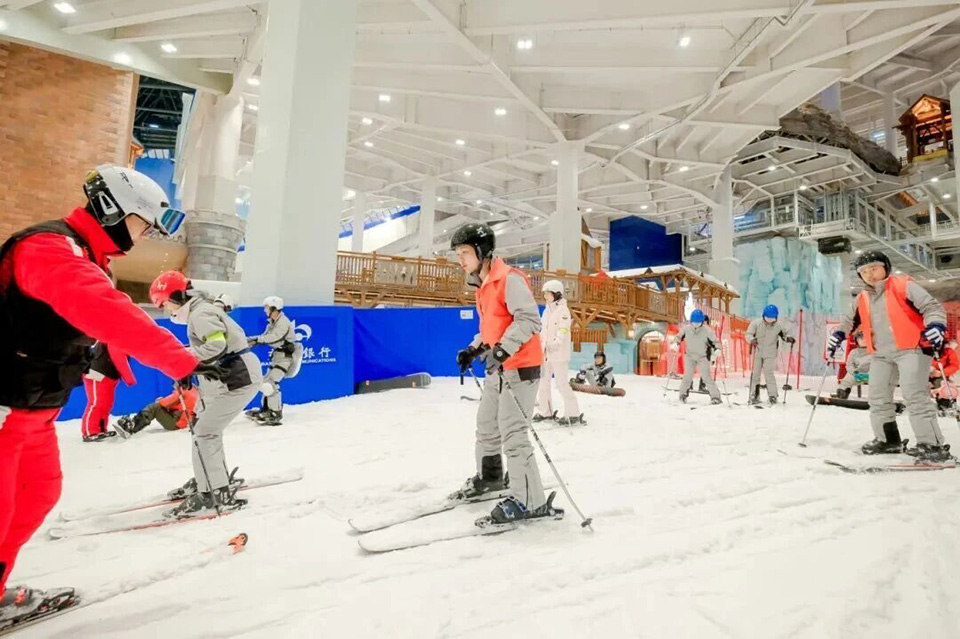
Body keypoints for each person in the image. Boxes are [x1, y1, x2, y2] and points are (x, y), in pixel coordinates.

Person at [0, 165, 213, 625]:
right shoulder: (49, 248)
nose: (143, 237)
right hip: (5, 408)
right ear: (113, 209)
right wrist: (184, 362)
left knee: (37, 494)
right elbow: (106, 311)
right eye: (142, 224)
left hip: (31, 412)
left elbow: (103, 326)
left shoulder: (86, 256)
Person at [452, 223, 562, 524]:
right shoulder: (482, 285)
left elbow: (529, 321)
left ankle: (529, 501)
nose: (460, 259)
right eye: (458, 254)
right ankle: (491, 478)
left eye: (464, 252)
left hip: (519, 368)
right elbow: (491, 327)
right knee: (487, 426)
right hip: (498, 369)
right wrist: (473, 349)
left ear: (482, 251)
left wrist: (501, 351)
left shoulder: (510, 279)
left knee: (513, 434)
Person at [149, 271, 263, 518]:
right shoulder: (200, 312)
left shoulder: (200, 314)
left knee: (205, 432)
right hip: (225, 378)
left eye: (165, 303)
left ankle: (213, 491)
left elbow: (217, 345)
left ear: (178, 296)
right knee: (203, 429)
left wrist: (183, 361)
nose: (166, 309)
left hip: (236, 378)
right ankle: (208, 479)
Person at [829, 250, 950, 460]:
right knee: (877, 397)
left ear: (885, 267)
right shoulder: (862, 298)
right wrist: (839, 333)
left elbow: (931, 307)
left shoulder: (904, 286)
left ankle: (932, 445)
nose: (869, 274)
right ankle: (888, 440)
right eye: (864, 271)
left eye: (873, 268)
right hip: (880, 353)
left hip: (912, 348)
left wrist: (936, 325)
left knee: (915, 395)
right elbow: (848, 321)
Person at [533, 280, 583, 426]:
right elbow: (543, 330)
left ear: (556, 294)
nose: (545, 296)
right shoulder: (547, 310)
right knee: (543, 383)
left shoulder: (563, 311)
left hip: (559, 353)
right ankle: (545, 411)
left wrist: (557, 341)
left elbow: (563, 328)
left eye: (547, 293)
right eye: (545, 293)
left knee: (561, 384)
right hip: (546, 352)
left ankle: (572, 413)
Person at [245, 296, 298, 426]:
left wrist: (257, 340)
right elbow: (265, 336)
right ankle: (266, 409)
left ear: (274, 308)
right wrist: (252, 340)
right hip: (277, 356)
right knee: (265, 382)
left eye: (267, 308)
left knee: (271, 383)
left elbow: (274, 337)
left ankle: (275, 412)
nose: (265, 310)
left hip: (285, 358)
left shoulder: (283, 322)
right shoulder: (272, 322)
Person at [746, 305, 795, 405]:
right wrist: (751, 340)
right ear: (763, 315)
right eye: (768, 318)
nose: (770, 320)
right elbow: (748, 334)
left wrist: (789, 338)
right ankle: (754, 395)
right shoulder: (756, 323)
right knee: (755, 374)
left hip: (770, 353)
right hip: (758, 352)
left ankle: (773, 396)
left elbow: (785, 334)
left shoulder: (778, 326)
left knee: (769, 374)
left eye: (772, 318)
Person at [113, 384, 200, 438]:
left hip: (176, 423)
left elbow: (165, 403)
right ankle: (134, 423)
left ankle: (132, 427)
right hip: (184, 421)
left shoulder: (183, 390)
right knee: (159, 407)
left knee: (155, 407)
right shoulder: (195, 390)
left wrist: (160, 401)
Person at [80, 344, 123, 442]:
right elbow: (119, 359)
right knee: (96, 403)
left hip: (106, 375)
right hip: (96, 373)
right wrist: (129, 379)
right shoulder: (112, 339)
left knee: (105, 404)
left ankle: (101, 429)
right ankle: (89, 432)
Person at [677, 309, 722, 405]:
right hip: (690, 356)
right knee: (687, 376)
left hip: (703, 357)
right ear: (691, 321)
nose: (696, 325)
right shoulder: (686, 329)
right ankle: (683, 395)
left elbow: (715, 342)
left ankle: (715, 397)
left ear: (702, 321)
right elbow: (678, 337)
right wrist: (675, 343)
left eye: (698, 323)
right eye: (694, 322)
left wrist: (717, 349)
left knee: (706, 377)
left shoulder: (707, 330)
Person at [833, 332, 871, 400]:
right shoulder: (853, 352)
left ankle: (879, 398)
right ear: (857, 341)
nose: (863, 341)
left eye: (865, 339)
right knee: (848, 379)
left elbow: (879, 365)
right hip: (857, 374)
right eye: (860, 339)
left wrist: (870, 374)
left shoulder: (874, 352)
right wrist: (854, 373)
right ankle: (843, 392)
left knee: (879, 381)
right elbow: (849, 365)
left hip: (871, 375)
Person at [930, 338, 959, 413]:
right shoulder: (920, 350)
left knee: (942, 383)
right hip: (922, 373)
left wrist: (942, 372)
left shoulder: (948, 351)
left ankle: (946, 404)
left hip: (940, 375)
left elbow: (955, 365)